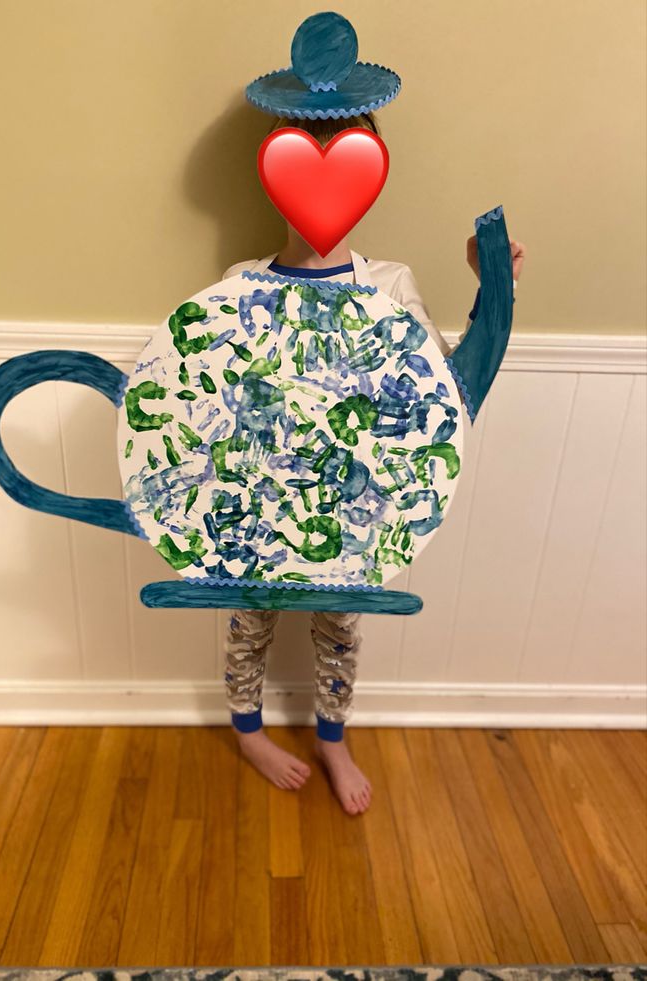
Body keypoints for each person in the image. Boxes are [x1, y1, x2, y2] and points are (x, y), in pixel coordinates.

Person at [222, 14, 526, 816]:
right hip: (260, 496)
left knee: (340, 628)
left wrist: (492, 286)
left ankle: (330, 737)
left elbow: (440, 393)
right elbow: (222, 392)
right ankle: (249, 729)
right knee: (246, 619)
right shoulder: (244, 280)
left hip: (355, 503)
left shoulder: (389, 283)